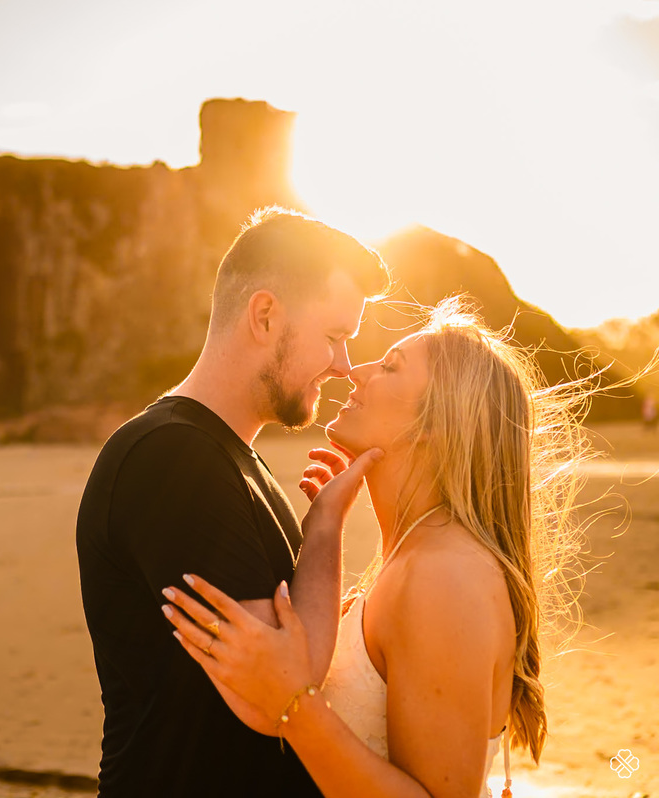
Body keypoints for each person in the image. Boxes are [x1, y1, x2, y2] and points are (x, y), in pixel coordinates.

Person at [162, 298, 589, 798]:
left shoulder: (444, 574)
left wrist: (292, 704)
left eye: (389, 367)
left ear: (436, 422)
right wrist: (325, 525)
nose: (356, 372)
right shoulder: (415, 554)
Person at [76, 206, 390, 796]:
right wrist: (323, 526)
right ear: (265, 315)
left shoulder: (229, 459)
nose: (344, 366)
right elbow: (278, 695)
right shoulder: (174, 457)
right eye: (333, 337)